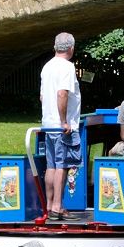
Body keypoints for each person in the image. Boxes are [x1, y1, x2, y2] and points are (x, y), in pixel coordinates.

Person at [40, 32, 82, 220]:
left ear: (55, 47)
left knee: (51, 165)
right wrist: (64, 121)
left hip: (48, 124)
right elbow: (62, 93)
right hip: (61, 126)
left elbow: (42, 96)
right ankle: (58, 207)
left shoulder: (47, 67)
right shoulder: (67, 67)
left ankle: (49, 206)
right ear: (71, 48)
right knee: (62, 165)